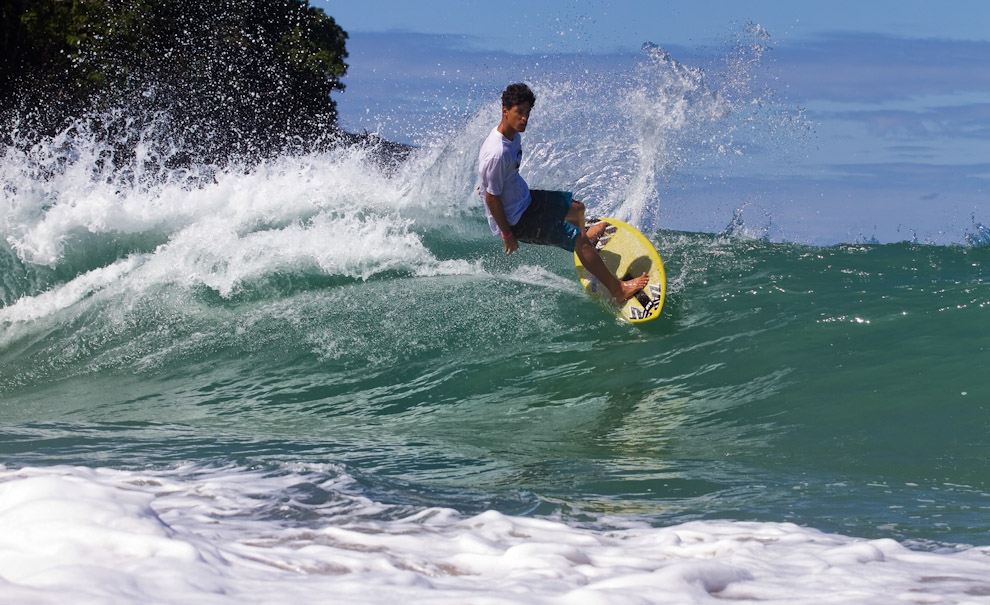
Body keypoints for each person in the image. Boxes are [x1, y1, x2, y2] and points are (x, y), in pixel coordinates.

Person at [477, 83, 649, 303]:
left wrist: (485, 183)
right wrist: (507, 234)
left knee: (578, 209)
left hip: (524, 199)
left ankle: (587, 244)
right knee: (577, 239)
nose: (524, 119)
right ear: (505, 110)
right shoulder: (497, 152)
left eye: (527, 113)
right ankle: (618, 290)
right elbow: (492, 198)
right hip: (516, 219)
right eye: (519, 112)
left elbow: (490, 180)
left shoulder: (512, 136)